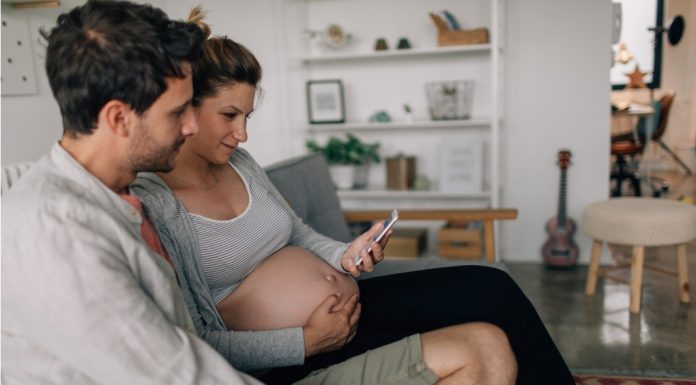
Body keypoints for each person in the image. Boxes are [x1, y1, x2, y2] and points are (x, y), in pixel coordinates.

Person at [2, 1, 515, 385]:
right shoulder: (60, 234)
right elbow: (179, 372)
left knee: (486, 328)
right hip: (269, 363)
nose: (189, 130)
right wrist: (305, 343)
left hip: (301, 337)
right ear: (118, 117)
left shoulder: (108, 197)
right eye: (179, 112)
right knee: (482, 350)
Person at [132, 8, 573, 385]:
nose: (243, 133)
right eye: (229, 115)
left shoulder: (240, 163)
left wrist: (345, 255)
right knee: (483, 333)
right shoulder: (156, 202)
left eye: (247, 116)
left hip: (351, 309)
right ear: (186, 108)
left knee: (491, 286)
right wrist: (305, 341)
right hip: (295, 354)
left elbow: (298, 235)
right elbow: (198, 338)